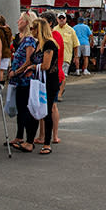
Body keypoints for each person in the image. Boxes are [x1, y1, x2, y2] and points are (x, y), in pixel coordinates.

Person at [29, 17, 60, 155]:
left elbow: (46, 65)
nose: (31, 31)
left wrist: (32, 67)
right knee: (35, 109)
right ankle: (31, 140)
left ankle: (47, 142)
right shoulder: (39, 44)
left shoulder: (49, 45)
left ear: (39, 29)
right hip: (38, 81)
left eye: (33, 28)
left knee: (46, 111)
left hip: (49, 81)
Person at [9, 11, 38, 152]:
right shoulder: (22, 39)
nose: (18, 22)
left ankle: (27, 139)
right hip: (19, 80)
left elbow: (29, 60)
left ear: (26, 22)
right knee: (20, 108)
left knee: (25, 108)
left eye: (20, 19)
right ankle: (19, 136)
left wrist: (16, 71)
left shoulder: (29, 40)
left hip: (25, 80)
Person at [0, 15, 13, 86]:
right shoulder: (8, 30)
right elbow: (11, 39)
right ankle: (0, 85)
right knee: (1, 70)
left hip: (1, 52)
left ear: (0, 23)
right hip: (7, 52)